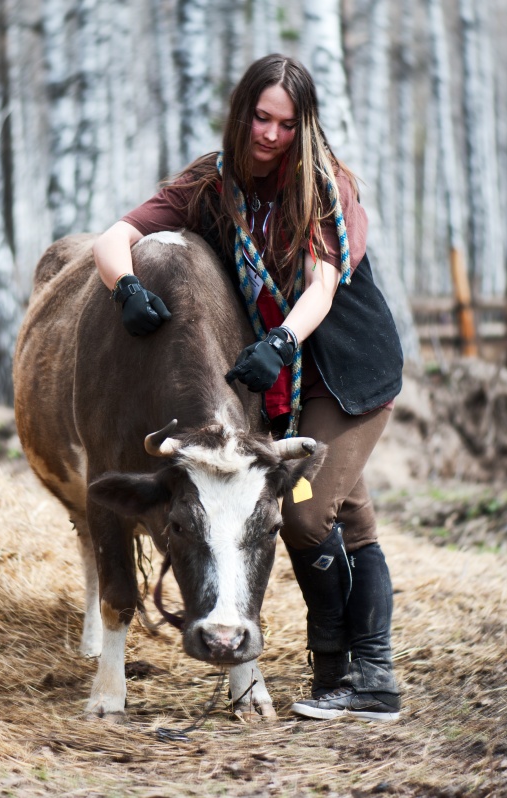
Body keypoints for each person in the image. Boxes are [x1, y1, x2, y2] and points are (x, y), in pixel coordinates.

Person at [92, 54, 404, 721]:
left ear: (304, 125)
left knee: (303, 513)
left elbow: (322, 284)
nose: (269, 135)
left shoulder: (324, 186)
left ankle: (362, 678)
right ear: (242, 114)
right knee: (348, 516)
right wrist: (126, 289)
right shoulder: (212, 184)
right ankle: (353, 681)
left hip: (341, 369)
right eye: (260, 118)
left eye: (286, 124)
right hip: (272, 384)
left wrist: (282, 341)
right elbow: (115, 237)